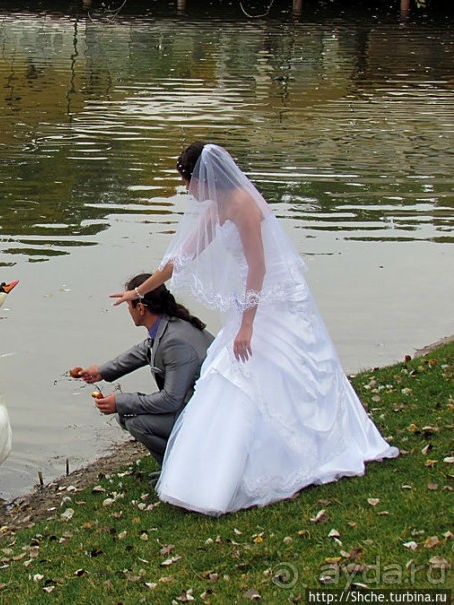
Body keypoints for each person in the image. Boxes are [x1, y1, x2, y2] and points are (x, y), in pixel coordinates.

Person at [112, 142, 399, 516]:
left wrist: (246, 325)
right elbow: (179, 259)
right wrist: (138, 290)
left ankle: (296, 455)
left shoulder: (245, 205)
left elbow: (258, 269)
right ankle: (212, 474)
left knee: (273, 370)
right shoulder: (217, 209)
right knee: (232, 375)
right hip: (249, 298)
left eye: (187, 182)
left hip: (276, 298)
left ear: (202, 178)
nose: (187, 190)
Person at [76, 273, 214, 466]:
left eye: (128, 306)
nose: (128, 311)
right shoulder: (170, 325)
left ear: (140, 308)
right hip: (195, 408)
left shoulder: (176, 341)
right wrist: (101, 371)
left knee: (135, 421)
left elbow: (170, 400)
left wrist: (121, 400)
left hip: (205, 418)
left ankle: (181, 470)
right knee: (126, 414)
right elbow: (142, 351)